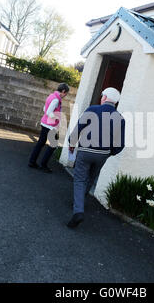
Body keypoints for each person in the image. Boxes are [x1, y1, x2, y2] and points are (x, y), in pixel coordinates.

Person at [67, 87, 126, 228]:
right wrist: (110, 153)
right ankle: (79, 201)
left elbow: (78, 129)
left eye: (102, 96)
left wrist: (72, 143)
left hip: (86, 151)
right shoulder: (120, 118)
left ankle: (78, 210)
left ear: (104, 98)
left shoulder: (92, 110)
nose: (101, 98)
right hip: (102, 155)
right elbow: (120, 144)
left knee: (80, 179)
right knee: (91, 178)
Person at [28, 83, 70, 173]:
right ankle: (43, 165)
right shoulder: (56, 100)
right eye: (66, 94)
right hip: (50, 126)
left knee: (40, 143)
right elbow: (48, 112)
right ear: (63, 91)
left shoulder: (51, 96)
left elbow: (44, 108)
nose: (66, 96)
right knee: (53, 145)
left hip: (44, 123)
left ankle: (32, 162)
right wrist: (57, 117)